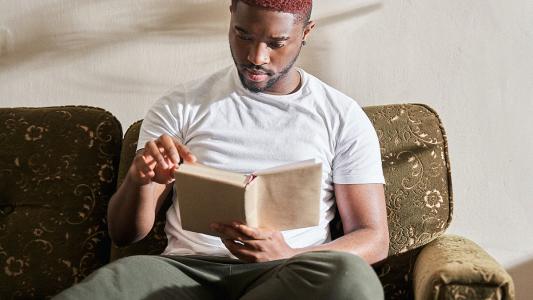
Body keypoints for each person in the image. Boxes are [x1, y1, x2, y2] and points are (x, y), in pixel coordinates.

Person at [54, 0, 389, 299]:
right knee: (109, 284)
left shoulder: (341, 116)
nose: (256, 57)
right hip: (185, 272)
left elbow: (373, 237)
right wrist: (138, 182)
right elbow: (124, 234)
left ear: (306, 32)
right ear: (231, 14)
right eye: (243, 35)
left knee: (351, 280)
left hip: (288, 273)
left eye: (276, 43)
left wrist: (289, 255)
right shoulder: (180, 106)